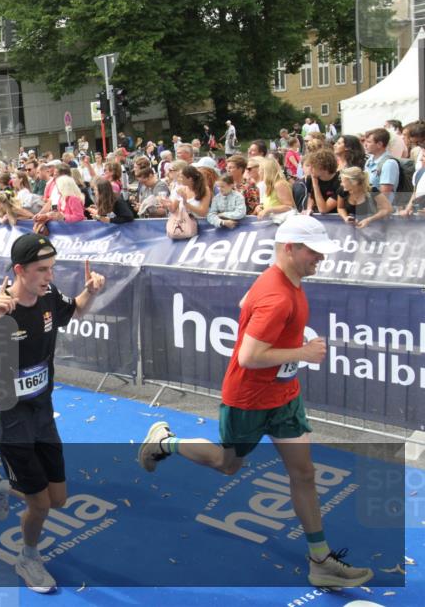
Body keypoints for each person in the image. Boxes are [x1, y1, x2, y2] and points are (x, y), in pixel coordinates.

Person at [138, 215, 374, 589]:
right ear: (290, 248)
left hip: (284, 397)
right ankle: (164, 442)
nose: (321, 260)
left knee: (304, 473)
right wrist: (304, 352)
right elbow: (248, 356)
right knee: (227, 464)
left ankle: (321, 560)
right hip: (248, 400)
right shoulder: (278, 296)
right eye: (314, 252)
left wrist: (279, 339)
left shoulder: (280, 279)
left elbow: (246, 300)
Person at [0, 233, 105, 593]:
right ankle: (28, 557)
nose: (49, 277)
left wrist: (91, 291)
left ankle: (0, 483)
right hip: (10, 416)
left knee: (58, 499)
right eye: (41, 270)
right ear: (19, 270)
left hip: (42, 410)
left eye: (51, 269)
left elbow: (75, 309)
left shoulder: (49, 296)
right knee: (40, 504)